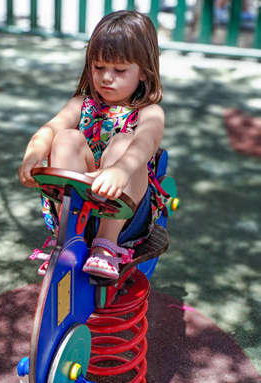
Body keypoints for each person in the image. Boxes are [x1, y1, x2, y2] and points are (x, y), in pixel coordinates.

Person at [18, 10, 165, 280]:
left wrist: (120, 170)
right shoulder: (81, 104)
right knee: (65, 137)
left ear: (143, 73)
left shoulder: (149, 112)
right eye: (98, 67)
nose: (106, 78)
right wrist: (34, 155)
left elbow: (146, 142)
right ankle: (69, 239)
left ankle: (105, 246)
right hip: (78, 204)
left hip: (126, 212)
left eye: (119, 70)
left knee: (125, 143)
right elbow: (49, 129)